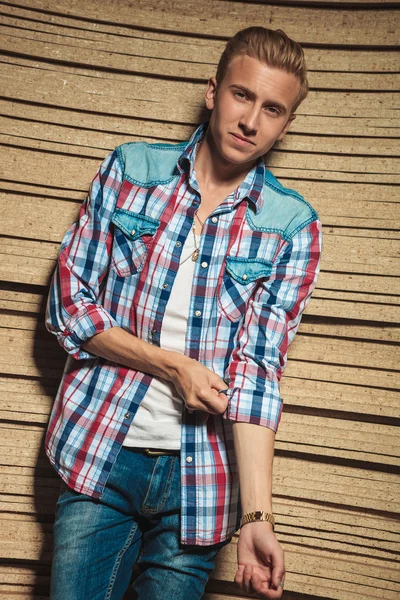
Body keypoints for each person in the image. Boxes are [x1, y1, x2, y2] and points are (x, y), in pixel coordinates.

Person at [45, 25, 322, 600]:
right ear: (213, 91)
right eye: (242, 95)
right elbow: (68, 304)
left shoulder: (291, 226)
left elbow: (258, 373)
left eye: (272, 109)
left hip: (202, 485)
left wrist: (257, 520)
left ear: (286, 124)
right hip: (100, 451)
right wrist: (172, 366)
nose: (251, 121)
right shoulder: (130, 171)